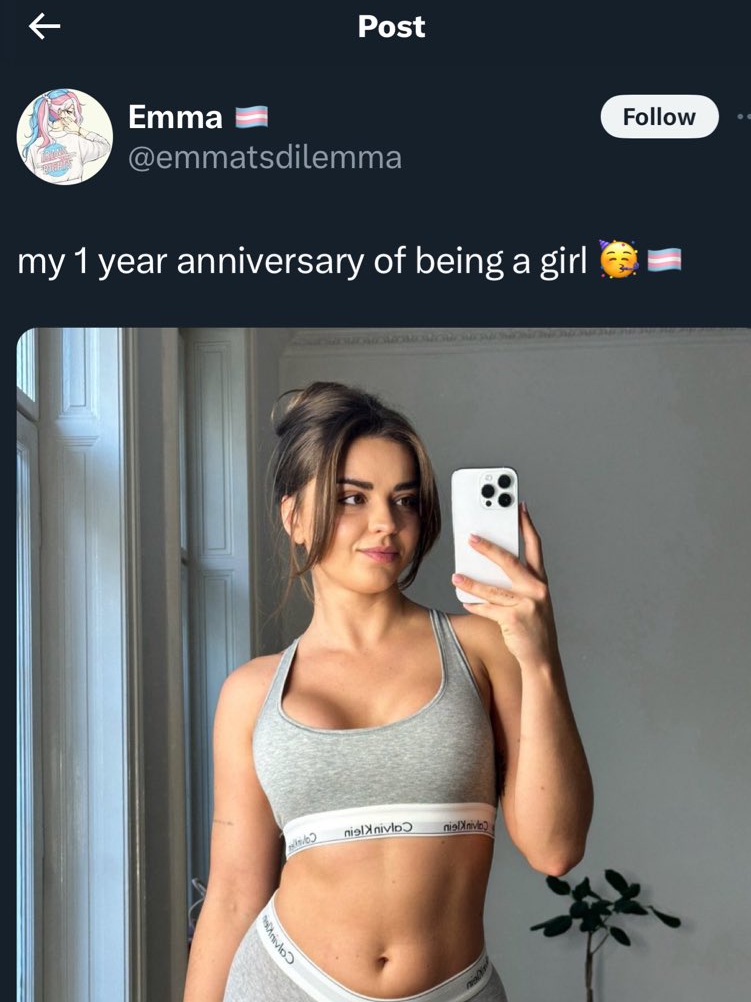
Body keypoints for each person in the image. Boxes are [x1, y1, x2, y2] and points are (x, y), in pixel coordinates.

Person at [183, 382, 593, 1002]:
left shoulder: (483, 648)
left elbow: (555, 850)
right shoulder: (251, 692)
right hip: (282, 983)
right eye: (352, 498)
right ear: (295, 518)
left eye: (404, 500)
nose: (386, 523)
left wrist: (539, 656)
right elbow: (234, 896)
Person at [22, 89, 110, 183]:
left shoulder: (34, 146)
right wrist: (79, 130)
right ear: (61, 114)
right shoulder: (76, 141)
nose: (75, 117)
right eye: (71, 111)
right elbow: (105, 146)